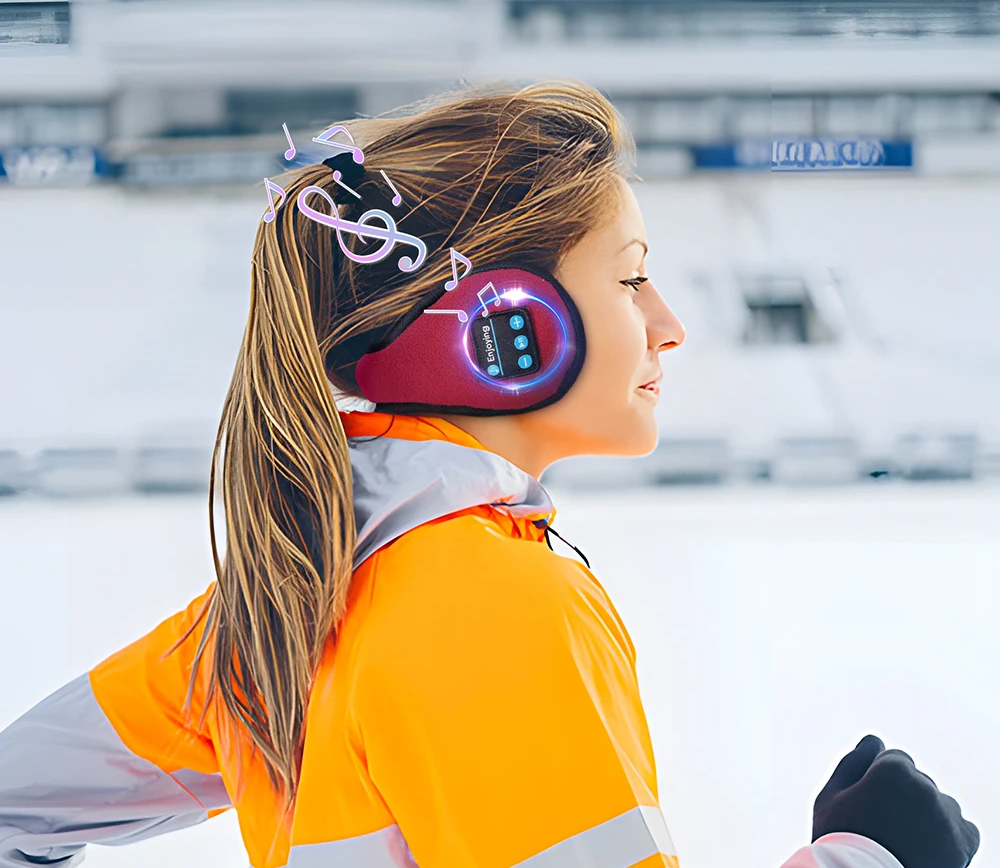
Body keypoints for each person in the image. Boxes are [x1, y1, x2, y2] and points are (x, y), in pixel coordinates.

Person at [0, 82, 979, 868]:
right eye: (629, 275)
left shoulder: (272, 601)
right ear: (506, 331)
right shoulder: (495, 605)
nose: (669, 322)